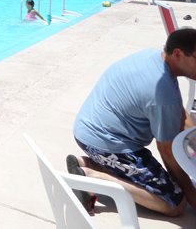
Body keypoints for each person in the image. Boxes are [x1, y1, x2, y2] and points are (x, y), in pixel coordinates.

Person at [68, 28, 196, 216]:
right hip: (106, 143)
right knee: (174, 203)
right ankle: (91, 176)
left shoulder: (155, 57)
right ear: (178, 53)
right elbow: (167, 150)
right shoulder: (162, 92)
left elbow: (180, 115)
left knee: (171, 183)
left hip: (88, 129)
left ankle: (88, 163)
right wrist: (190, 193)